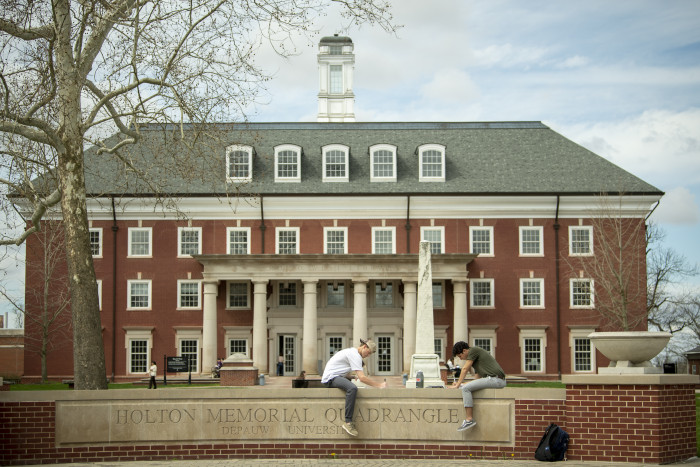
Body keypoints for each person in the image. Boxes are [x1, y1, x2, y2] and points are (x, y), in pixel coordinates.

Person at [321, 338, 387, 437]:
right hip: (330, 379)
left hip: (334, 376)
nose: (368, 356)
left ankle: (348, 421)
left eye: (370, 355)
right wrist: (379, 385)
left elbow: (338, 368)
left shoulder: (351, 352)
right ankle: (348, 423)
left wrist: (350, 376)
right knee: (352, 388)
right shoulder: (355, 355)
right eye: (368, 353)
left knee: (351, 385)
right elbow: (363, 378)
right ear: (364, 347)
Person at [449, 341, 506, 431]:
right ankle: (469, 419)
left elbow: (464, 369)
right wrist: (460, 384)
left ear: (464, 351)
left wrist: (458, 385)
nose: (461, 359)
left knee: (465, 389)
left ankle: (469, 419)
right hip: (493, 380)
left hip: (496, 380)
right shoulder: (476, 361)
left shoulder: (473, 351)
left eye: (460, 356)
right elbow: (477, 380)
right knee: (464, 387)